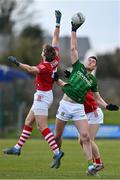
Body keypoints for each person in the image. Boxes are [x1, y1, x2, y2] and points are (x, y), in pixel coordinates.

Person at [52, 12, 119, 175]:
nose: (91, 61)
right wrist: (74, 29)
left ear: (94, 67)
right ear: (85, 61)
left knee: (86, 138)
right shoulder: (77, 68)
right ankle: (56, 154)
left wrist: (107, 105)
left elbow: (97, 98)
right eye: (89, 59)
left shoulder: (92, 82)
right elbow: (73, 48)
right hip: (66, 106)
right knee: (60, 137)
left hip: (84, 111)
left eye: (94, 61)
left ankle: (94, 165)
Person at [3, 10, 64, 168]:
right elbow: (55, 38)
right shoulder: (55, 58)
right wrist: (58, 21)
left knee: (41, 127)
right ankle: (17, 148)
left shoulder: (44, 66)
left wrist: (17, 62)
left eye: (43, 51)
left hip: (42, 96)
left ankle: (57, 152)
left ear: (44, 55)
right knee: (28, 121)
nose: (41, 52)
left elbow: (31, 69)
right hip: (44, 94)